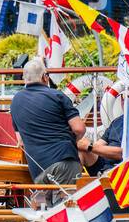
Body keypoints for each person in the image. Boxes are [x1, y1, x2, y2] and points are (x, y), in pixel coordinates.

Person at [10, 57, 87, 188]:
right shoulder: (57, 95)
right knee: (68, 206)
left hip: (38, 169)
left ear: (25, 79)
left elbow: (20, 141)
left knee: (47, 208)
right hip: (64, 161)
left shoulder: (15, 101)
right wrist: (73, 141)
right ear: (44, 77)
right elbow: (79, 129)